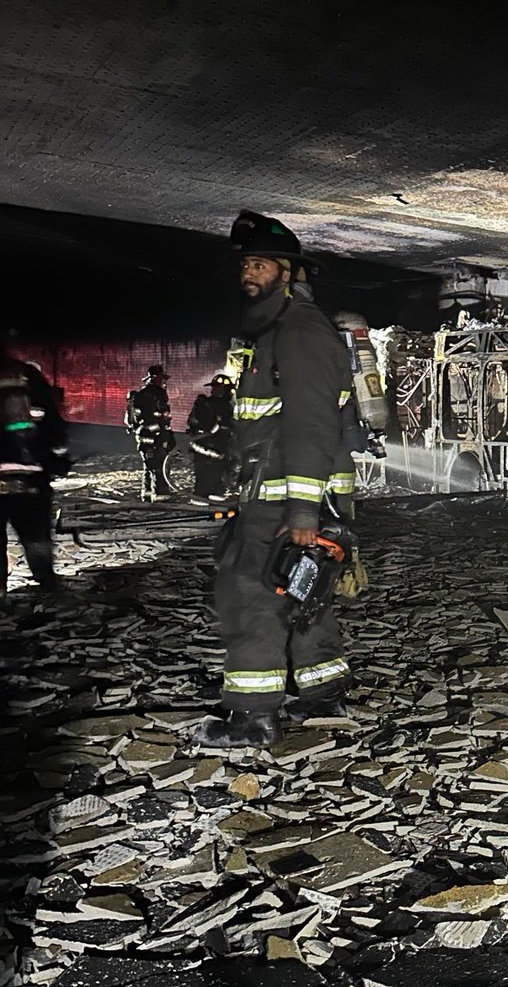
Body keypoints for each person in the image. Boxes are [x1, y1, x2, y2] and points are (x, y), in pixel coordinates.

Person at [194, 210, 357, 748]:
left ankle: (253, 717)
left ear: (289, 272)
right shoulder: (274, 331)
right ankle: (320, 694)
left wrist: (303, 514)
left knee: (253, 597)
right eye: (246, 264)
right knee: (304, 592)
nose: (249, 273)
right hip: (284, 493)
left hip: (289, 498)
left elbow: (312, 425)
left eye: (260, 264)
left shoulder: (301, 333)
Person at [0, 344, 70, 592]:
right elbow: (54, 424)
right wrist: (59, 460)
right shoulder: (27, 376)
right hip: (31, 479)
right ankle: (47, 587)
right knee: (36, 538)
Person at [125, 364, 175, 501]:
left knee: (150, 467)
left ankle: (147, 496)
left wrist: (167, 433)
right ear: (153, 378)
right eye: (161, 378)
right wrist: (160, 434)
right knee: (158, 467)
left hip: (151, 437)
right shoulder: (150, 395)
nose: (163, 382)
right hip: (150, 437)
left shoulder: (154, 394)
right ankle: (161, 498)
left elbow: (162, 418)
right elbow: (147, 420)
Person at [187, 374, 234, 502]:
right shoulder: (205, 404)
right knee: (204, 472)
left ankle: (214, 494)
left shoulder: (226, 405)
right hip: (205, 445)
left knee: (217, 471)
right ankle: (199, 498)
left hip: (218, 445)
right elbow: (199, 425)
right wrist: (214, 429)